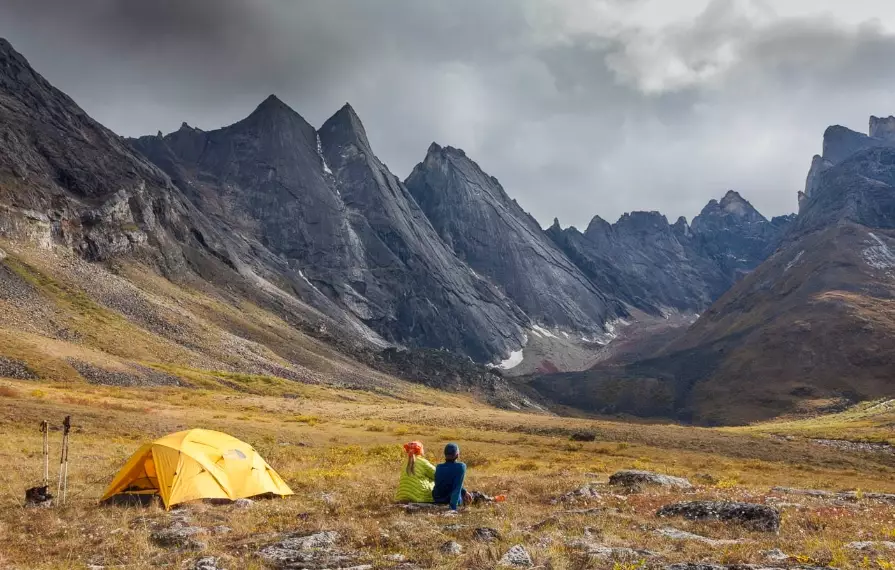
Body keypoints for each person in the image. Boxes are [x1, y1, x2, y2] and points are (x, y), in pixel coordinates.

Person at [433, 442, 469, 510]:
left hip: (438, 499)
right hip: (449, 500)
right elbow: (457, 488)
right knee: (476, 495)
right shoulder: (461, 466)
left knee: (467, 493)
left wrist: (464, 491)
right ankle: (492, 499)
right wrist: (453, 509)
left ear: (445, 454)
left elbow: (446, 482)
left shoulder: (439, 467)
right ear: (457, 455)